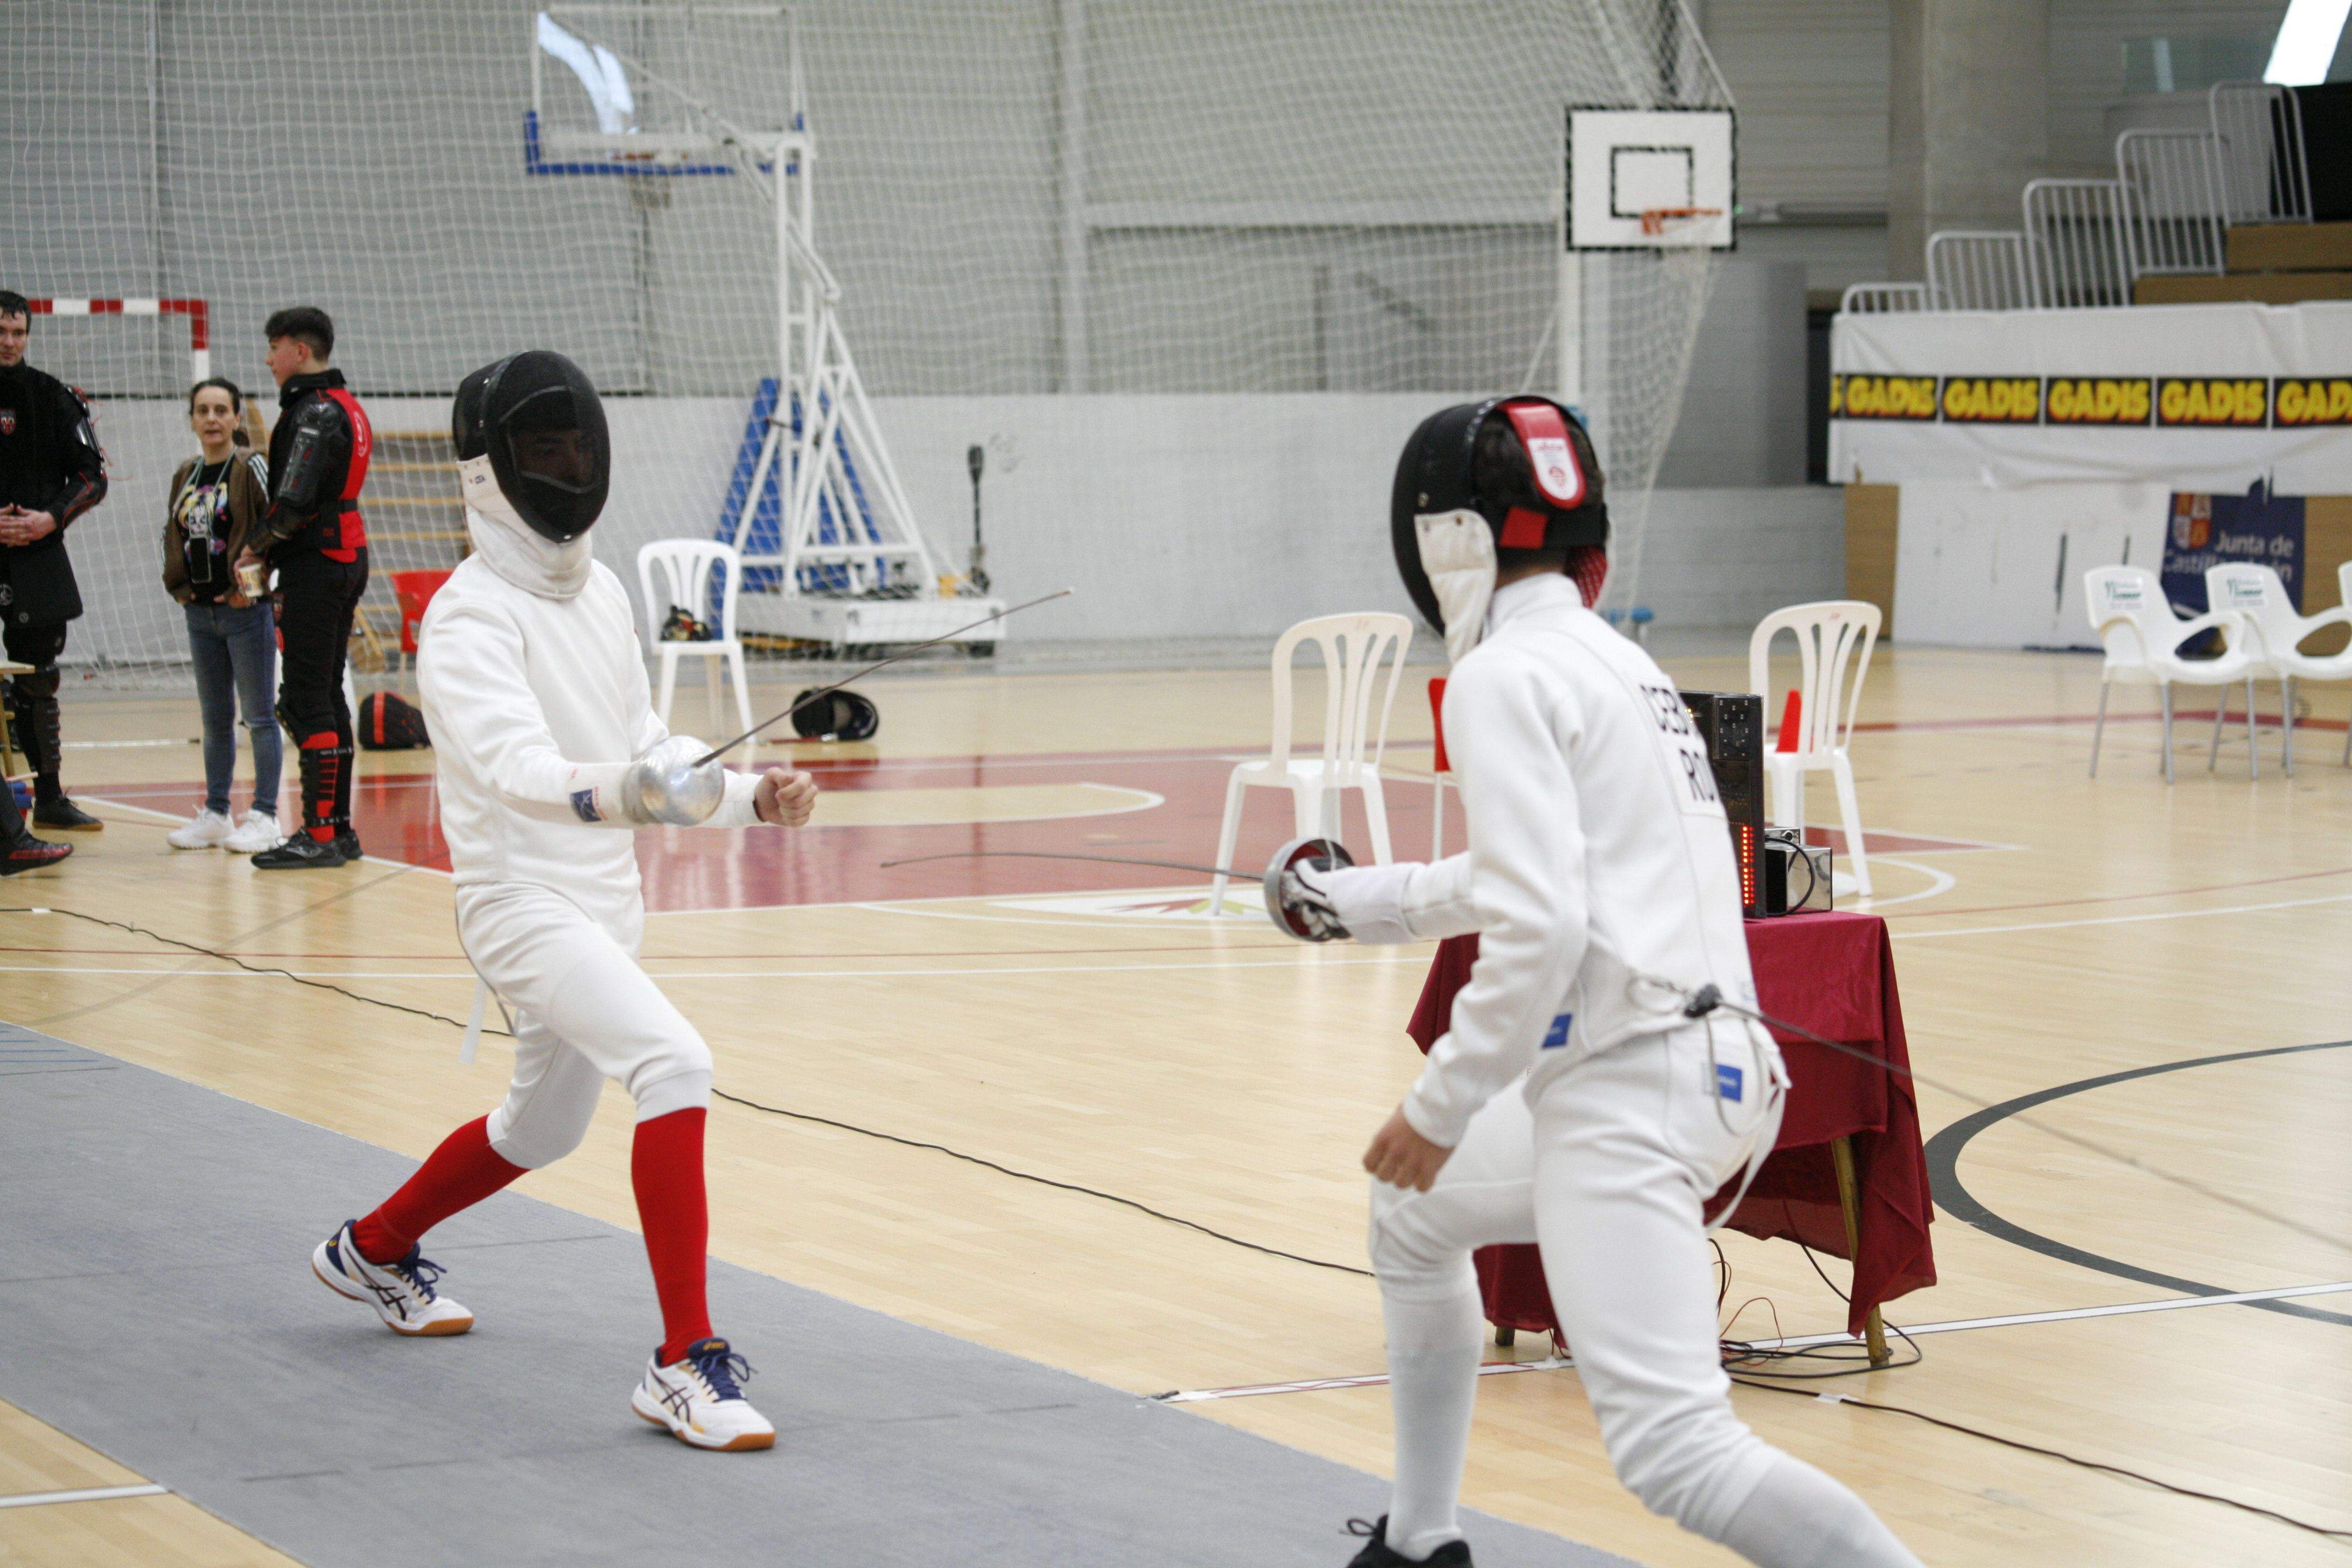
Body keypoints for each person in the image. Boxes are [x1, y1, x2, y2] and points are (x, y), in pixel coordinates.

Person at [1275, 398, 1925, 1568]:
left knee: (1679, 1453)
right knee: (1413, 1217)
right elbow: (1528, 872)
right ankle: (1422, 1543)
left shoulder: (1500, 678)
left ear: (1443, 547)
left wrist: (1440, 1106)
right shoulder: (1623, 666)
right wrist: (1346, 900)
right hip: (1718, 1064)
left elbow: (1541, 917)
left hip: (1633, 1090)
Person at [309, 350, 819, 1452]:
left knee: (540, 1128)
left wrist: (748, 798)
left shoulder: (600, 589)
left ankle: (374, 1247)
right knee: (675, 1062)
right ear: (490, 471)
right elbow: (520, 770)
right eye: (542, 450)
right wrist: (632, 788)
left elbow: (644, 748)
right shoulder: (465, 616)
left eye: (575, 446)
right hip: (517, 904)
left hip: (605, 904)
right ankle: (683, 1360)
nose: (565, 465)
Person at [235, 305, 368, 868]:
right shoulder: (346, 405)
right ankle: (336, 829)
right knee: (329, 697)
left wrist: (255, 547)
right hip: (344, 555)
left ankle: (318, 836)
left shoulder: (314, 411)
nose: (268, 359)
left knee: (303, 700)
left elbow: (293, 501)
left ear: (300, 350)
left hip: (318, 562)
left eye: (274, 347)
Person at [0, 290, 108, 833]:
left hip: (37, 553)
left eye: (18, 333)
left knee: (40, 675)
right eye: (1, 332)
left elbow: (93, 475)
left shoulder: (54, 397)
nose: (10, 342)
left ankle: (49, 796)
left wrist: (50, 518)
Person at [163, 377, 282, 852]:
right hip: (200, 614)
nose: (211, 419)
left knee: (259, 717)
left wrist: (249, 592)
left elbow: (274, 530)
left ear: (236, 418)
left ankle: (266, 815)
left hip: (244, 613)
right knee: (215, 719)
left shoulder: (251, 466)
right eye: (202, 411)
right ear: (192, 419)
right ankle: (216, 813)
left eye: (220, 410)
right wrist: (182, 590)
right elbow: (174, 537)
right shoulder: (186, 474)